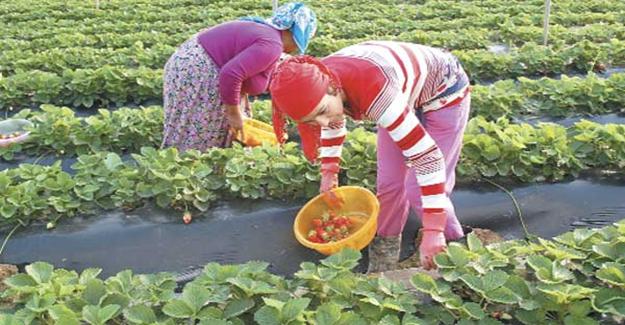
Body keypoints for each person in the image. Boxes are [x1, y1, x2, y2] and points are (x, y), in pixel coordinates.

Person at [269, 41, 471, 271]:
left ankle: (455, 249)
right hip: (400, 92)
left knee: (416, 188)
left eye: (323, 112)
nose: (323, 122)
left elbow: (428, 158)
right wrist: (328, 173)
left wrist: (433, 231)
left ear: (334, 88)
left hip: (444, 90)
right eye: (311, 121)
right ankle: (384, 261)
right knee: (389, 186)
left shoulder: (374, 92)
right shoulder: (316, 83)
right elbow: (331, 121)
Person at [161, 2, 316, 152]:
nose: (296, 49)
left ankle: (188, 165)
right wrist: (234, 114)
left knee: (191, 125)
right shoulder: (271, 45)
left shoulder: (265, 33)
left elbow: (245, 74)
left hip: (187, 64)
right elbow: (230, 75)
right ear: (296, 34)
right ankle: (187, 167)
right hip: (200, 71)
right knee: (198, 128)